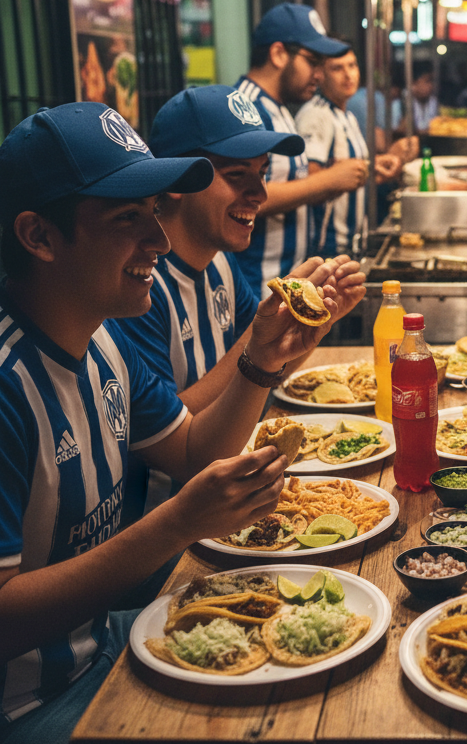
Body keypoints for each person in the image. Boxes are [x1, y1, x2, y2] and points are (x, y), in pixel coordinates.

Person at [0, 103, 354, 742]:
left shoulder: (104, 341)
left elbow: (191, 453)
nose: (159, 242)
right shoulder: (7, 384)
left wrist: (260, 362)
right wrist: (181, 522)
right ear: (39, 236)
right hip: (29, 707)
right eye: (128, 218)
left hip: (109, 642)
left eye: (155, 213)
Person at [115, 85, 365, 528]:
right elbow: (178, 434)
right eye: (237, 176)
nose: (261, 194)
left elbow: (264, 372)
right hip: (174, 532)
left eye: (263, 173)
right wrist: (259, 343)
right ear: (175, 183)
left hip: (240, 496)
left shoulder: (222, 265)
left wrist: (311, 325)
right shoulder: (136, 289)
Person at [234, 2, 353, 296]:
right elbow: (244, 198)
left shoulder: (281, 109)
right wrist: (327, 181)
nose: (319, 75)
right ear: (277, 54)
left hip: (284, 282)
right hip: (254, 285)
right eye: (312, 61)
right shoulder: (244, 107)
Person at [295, 45, 402, 255]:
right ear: (321, 75)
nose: (348, 75)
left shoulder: (346, 115)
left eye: (352, 66)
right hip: (325, 249)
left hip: (351, 244)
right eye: (337, 68)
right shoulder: (316, 115)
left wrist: (374, 167)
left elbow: (347, 172)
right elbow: (309, 180)